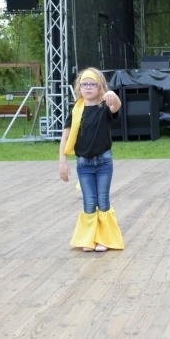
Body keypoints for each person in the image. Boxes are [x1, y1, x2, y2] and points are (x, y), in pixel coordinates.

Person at [59, 68, 124, 252]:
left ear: (99, 87)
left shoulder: (103, 107)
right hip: (84, 164)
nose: (88, 88)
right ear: (80, 87)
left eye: (92, 84)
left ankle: (104, 239)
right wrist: (62, 162)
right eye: (84, 84)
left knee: (103, 200)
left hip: (103, 162)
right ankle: (89, 239)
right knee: (89, 201)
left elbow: (116, 106)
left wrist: (112, 95)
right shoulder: (76, 110)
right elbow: (65, 137)